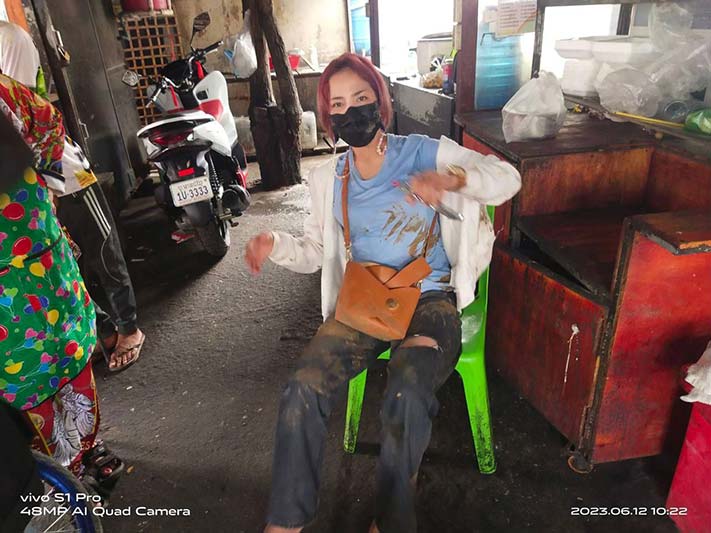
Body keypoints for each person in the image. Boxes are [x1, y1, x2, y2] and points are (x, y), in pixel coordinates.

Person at [245, 53, 521, 533]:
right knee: (302, 387)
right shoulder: (329, 178)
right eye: (338, 104)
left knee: (407, 389)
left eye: (361, 98)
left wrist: (451, 179)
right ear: (328, 117)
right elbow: (315, 250)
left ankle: (392, 520)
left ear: (381, 101)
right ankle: (286, 521)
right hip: (365, 302)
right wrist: (275, 243)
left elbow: (507, 179)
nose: (350, 111)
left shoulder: (424, 152)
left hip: (430, 301)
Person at [0, 73, 122, 492]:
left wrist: (45, 188)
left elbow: (48, 122)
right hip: (43, 268)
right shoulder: (5, 91)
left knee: (50, 367)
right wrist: (46, 185)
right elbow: (49, 123)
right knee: (52, 368)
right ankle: (75, 460)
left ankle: (70, 464)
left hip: (31, 278)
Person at [0, 20, 145, 371]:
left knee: (103, 255)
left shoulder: (9, 40)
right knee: (65, 269)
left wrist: (48, 187)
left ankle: (129, 329)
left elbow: (39, 116)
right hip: (24, 199)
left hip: (65, 177)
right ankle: (103, 333)